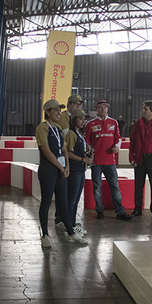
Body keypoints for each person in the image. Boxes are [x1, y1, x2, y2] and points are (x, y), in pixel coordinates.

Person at [36, 99, 89, 248]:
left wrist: (67, 167)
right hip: (48, 170)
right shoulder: (42, 128)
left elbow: (64, 149)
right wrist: (61, 167)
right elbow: (46, 151)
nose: (59, 113)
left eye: (60, 110)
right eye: (55, 110)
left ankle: (71, 233)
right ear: (47, 112)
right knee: (46, 202)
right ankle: (45, 235)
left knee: (64, 202)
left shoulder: (59, 129)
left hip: (60, 170)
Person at [84, 99, 132, 221]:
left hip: (110, 161)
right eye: (101, 107)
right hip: (96, 162)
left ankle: (120, 212)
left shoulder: (114, 122)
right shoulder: (90, 124)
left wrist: (117, 146)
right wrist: (89, 150)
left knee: (115, 187)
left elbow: (118, 138)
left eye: (105, 107)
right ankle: (99, 210)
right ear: (97, 109)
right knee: (97, 187)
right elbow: (86, 140)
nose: (103, 110)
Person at [54, 94, 84, 226]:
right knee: (63, 191)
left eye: (80, 104)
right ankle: (60, 218)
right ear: (69, 104)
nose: (78, 106)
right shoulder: (62, 118)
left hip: (71, 160)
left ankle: (67, 218)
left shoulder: (76, 124)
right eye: (76, 104)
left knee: (70, 192)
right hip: (61, 157)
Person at [64, 108, 92, 233]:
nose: (83, 121)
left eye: (84, 119)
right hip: (75, 169)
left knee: (75, 199)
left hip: (80, 169)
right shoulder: (71, 134)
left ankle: (73, 223)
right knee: (72, 198)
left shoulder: (79, 134)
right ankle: (69, 225)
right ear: (74, 119)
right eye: (80, 119)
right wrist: (83, 159)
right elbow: (68, 153)